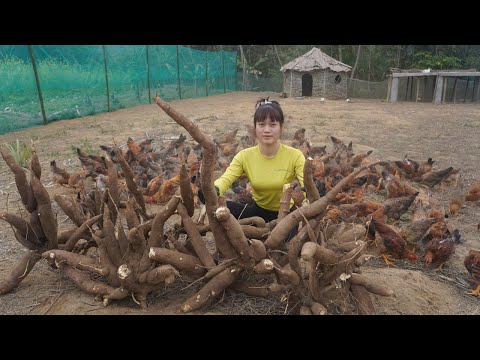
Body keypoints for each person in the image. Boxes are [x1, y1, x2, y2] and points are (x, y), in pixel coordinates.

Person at [210, 97, 306, 239]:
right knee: (221, 209)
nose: (267, 130)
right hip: (258, 212)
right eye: (261, 124)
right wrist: (214, 190)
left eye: (272, 125)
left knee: (284, 247)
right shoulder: (245, 156)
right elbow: (226, 178)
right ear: (255, 128)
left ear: (281, 127)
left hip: (286, 214)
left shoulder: (295, 155)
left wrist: (309, 196)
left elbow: (306, 183)